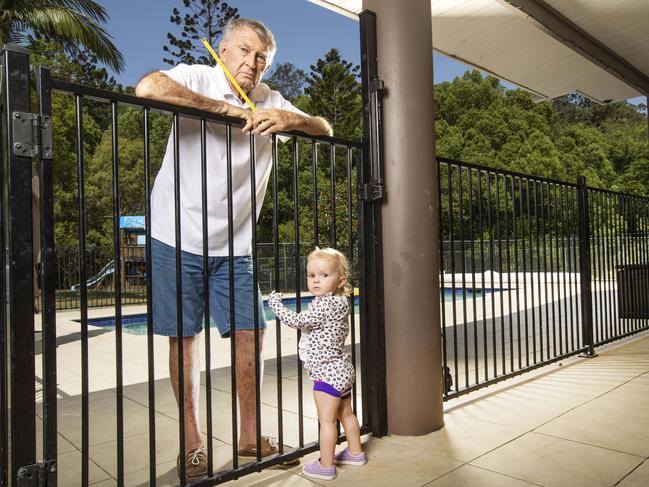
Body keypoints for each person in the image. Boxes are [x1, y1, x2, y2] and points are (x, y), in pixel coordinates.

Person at [135, 18, 332, 481]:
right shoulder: (198, 77)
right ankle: (192, 445)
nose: (252, 62)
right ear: (222, 49)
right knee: (183, 341)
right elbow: (147, 86)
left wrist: (291, 120)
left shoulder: (271, 101)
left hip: (236, 245)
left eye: (262, 57)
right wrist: (220, 111)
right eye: (244, 51)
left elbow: (323, 127)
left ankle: (249, 438)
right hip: (175, 235)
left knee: (251, 335)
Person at [268, 248, 366, 481]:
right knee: (347, 414)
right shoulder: (341, 302)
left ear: (340, 280)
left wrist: (276, 305)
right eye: (311, 275)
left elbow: (297, 320)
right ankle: (355, 452)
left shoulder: (324, 306)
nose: (316, 280)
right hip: (343, 370)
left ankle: (326, 465)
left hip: (326, 373)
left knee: (326, 421)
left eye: (323, 275)